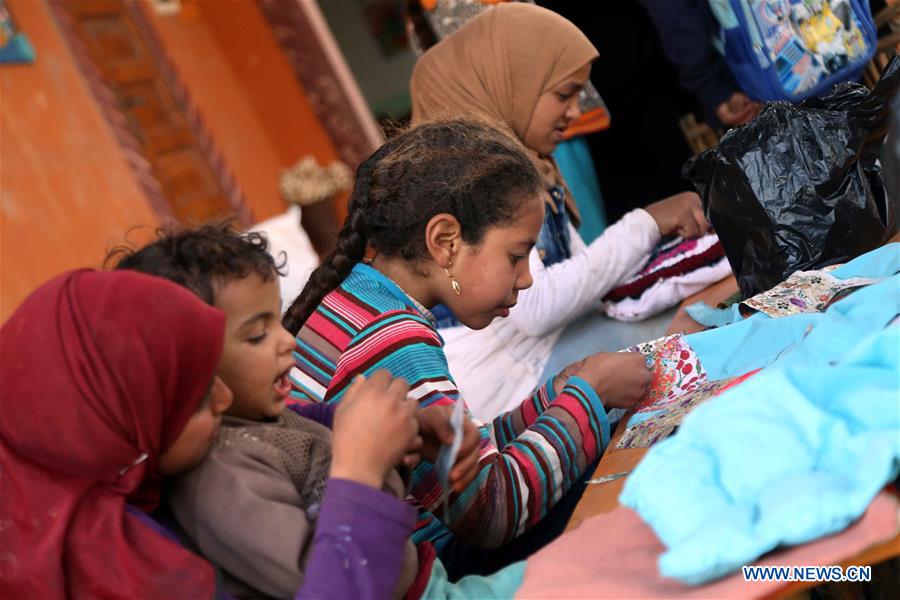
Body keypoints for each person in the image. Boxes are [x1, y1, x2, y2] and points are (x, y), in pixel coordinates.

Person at [281, 119, 651, 568]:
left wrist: (555, 397)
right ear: (445, 242)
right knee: (634, 489)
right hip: (419, 569)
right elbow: (491, 510)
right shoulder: (391, 339)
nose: (527, 277)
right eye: (516, 256)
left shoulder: (357, 299)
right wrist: (588, 397)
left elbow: (463, 456)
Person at [111, 223, 534, 598]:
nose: (286, 341)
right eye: (257, 335)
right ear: (188, 365)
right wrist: (363, 469)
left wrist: (410, 435)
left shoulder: (271, 420)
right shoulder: (218, 480)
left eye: (277, 321)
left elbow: (335, 459)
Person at [409, 3, 709, 419]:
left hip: (544, 352)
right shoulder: (470, 181)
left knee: (694, 318)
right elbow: (536, 307)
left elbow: (578, 275)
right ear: (511, 85)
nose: (574, 110)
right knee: (686, 340)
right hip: (507, 386)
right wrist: (647, 223)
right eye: (563, 94)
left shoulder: (531, 163)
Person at [0, 269, 230, 597]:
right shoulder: (132, 574)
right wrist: (334, 483)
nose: (227, 399)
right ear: (114, 423)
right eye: (195, 399)